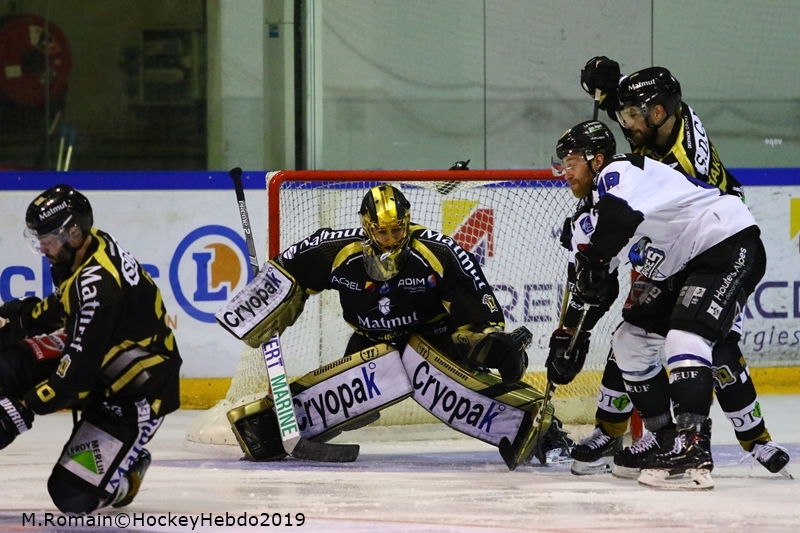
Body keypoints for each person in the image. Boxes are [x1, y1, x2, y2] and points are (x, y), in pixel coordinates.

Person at [217, 184, 572, 468]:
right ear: (366, 225)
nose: (390, 239)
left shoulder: (439, 251)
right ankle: (270, 430)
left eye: (396, 229)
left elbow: (475, 315)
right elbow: (288, 270)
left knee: (465, 380)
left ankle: (541, 431)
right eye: (381, 231)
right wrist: (262, 304)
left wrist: (493, 345)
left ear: (408, 220)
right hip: (370, 343)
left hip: (430, 341)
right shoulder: (337, 251)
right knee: (353, 409)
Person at [570, 58, 789, 477]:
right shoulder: (665, 119)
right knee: (633, 336)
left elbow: (627, 209)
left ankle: (746, 441)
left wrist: (597, 256)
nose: (626, 123)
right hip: (676, 244)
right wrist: (610, 90)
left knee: (708, 344)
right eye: (623, 115)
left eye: (632, 115)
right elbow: (639, 125)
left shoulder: (683, 161)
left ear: (657, 113)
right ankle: (647, 434)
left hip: (714, 240)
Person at [546, 120, 767, 489]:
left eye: (572, 162)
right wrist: (573, 336)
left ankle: (692, 448)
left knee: (686, 338)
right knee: (630, 342)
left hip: (723, 240)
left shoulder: (620, 170)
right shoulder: (587, 219)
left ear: (597, 159)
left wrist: (594, 262)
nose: (565, 172)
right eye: (562, 164)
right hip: (682, 265)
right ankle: (664, 439)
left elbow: (619, 218)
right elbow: (597, 288)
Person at [0, 184, 182, 513]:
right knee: (6, 366)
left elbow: (74, 378)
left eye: (48, 239)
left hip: (134, 397)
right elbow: (63, 309)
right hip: (101, 364)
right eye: (38, 239)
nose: (42, 247)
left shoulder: (101, 287)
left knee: (72, 496)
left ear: (72, 231)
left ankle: (128, 469)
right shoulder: (88, 246)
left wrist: (20, 410)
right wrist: (13, 320)